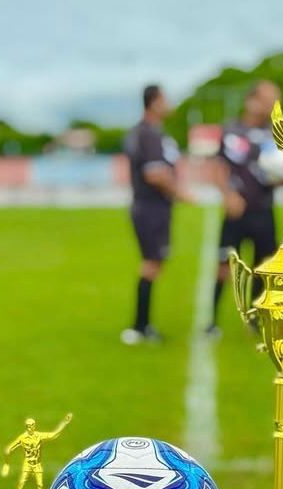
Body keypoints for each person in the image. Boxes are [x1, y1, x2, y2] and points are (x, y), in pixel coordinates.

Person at [206, 80, 283, 337]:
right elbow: (218, 167)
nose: (274, 104)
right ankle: (212, 321)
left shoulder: (275, 134)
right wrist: (228, 195)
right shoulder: (232, 131)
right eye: (269, 98)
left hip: (263, 211)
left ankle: (255, 318)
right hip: (236, 213)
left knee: (263, 267)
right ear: (252, 101)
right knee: (225, 266)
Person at [122, 84, 183, 345]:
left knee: (154, 264)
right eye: (165, 98)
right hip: (150, 208)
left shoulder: (149, 133)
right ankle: (140, 327)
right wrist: (179, 191)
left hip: (152, 208)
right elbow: (154, 173)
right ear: (155, 102)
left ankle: (142, 325)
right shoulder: (148, 134)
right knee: (151, 264)